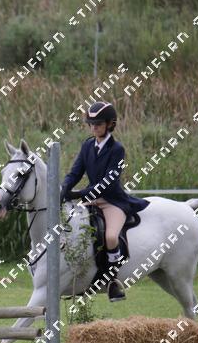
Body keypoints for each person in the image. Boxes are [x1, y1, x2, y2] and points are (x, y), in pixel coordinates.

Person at [59, 101, 150, 301]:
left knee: (110, 237)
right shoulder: (87, 146)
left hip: (112, 201)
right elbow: (75, 172)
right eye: (91, 124)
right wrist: (64, 187)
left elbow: (108, 182)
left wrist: (80, 193)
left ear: (110, 124)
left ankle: (113, 281)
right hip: (91, 200)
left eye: (98, 124)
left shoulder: (117, 149)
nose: (94, 127)